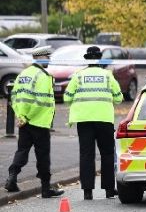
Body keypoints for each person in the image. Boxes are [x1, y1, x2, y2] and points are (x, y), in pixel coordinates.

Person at [63, 46, 123, 200]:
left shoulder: (78, 76)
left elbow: (67, 98)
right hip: (104, 119)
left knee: (86, 155)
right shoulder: (107, 75)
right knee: (107, 154)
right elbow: (118, 98)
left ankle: (87, 191)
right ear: (100, 59)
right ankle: (109, 190)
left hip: (84, 120)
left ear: (87, 59)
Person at [4, 46, 64, 198]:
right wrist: (29, 117)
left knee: (22, 151)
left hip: (24, 122)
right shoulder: (42, 76)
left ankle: (12, 176)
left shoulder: (23, 74)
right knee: (43, 156)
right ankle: (45, 188)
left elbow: (14, 97)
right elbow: (40, 100)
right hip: (39, 122)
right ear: (41, 57)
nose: (49, 60)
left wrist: (21, 117)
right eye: (47, 57)